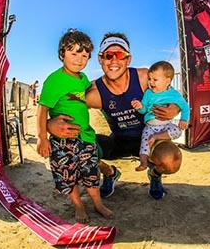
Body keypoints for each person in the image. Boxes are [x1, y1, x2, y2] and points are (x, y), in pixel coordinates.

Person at [47, 33, 182, 200]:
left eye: (120, 55)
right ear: (100, 59)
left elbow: (170, 92)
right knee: (79, 150)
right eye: (108, 55)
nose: (114, 61)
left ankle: (154, 174)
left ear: (128, 59)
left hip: (150, 138)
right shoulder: (94, 91)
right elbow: (66, 107)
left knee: (171, 160)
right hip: (118, 140)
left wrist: (175, 108)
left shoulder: (143, 77)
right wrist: (49, 124)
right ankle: (110, 173)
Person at [36, 29, 113, 223]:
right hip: (62, 141)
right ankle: (78, 205)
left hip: (86, 137)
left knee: (91, 173)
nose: (79, 59)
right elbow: (42, 109)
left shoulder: (84, 79)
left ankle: (98, 203)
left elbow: (91, 94)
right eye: (74, 53)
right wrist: (43, 138)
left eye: (85, 55)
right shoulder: (54, 80)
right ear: (62, 54)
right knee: (68, 176)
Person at [131, 61, 190, 171]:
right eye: (149, 79)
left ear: (167, 81)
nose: (151, 82)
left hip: (166, 125)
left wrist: (184, 119)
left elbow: (185, 107)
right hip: (150, 127)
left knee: (178, 130)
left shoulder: (174, 94)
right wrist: (139, 106)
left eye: (155, 80)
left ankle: (158, 137)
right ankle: (143, 163)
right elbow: (144, 110)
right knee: (145, 143)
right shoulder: (148, 93)